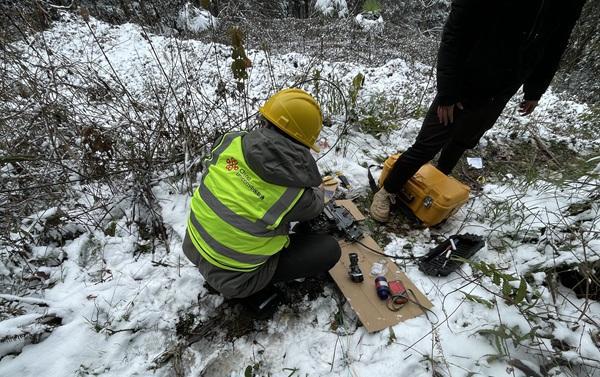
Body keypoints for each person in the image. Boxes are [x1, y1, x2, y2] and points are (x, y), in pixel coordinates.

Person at [370, 0, 586, 222]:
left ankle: (438, 181)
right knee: (428, 143)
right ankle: (387, 191)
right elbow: (455, 33)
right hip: (465, 80)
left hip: (504, 86)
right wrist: (448, 92)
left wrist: (535, 90)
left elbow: (554, 46)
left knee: (463, 140)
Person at [183, 88, 341, 310]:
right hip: (236, 279)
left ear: (265, 121)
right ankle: (252, 292)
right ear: (304, 143)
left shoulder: (230, 143)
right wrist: (323, 186)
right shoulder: (294, 194)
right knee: (330, 250)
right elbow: (316, 203)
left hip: (193, 247)